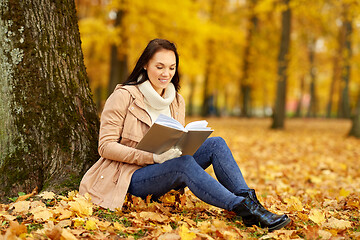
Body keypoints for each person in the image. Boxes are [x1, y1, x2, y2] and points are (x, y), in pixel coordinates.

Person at [79, 38, 291, 231]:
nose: (166, 73)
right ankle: (242, 208)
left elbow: (175, 138)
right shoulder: (124, 96)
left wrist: (186, 142)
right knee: (184, 164)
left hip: (165, 170)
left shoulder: (177, 100)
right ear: (145, 64)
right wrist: (152, 157)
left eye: (171, 68)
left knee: (216, 143)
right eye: (159, 67)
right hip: (129, 177)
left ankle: (251, 204)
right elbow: (105, 146)